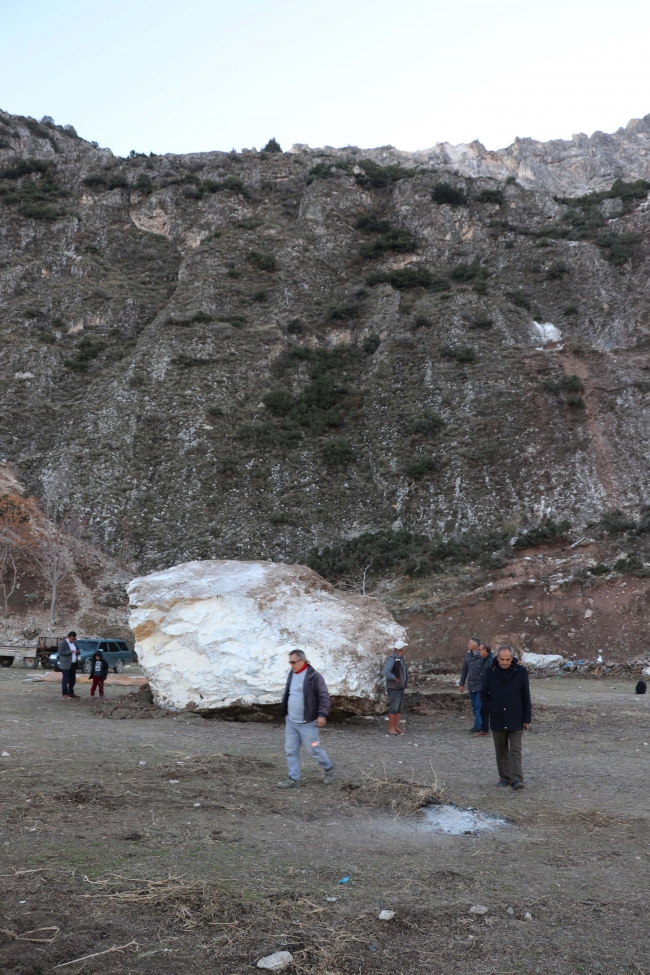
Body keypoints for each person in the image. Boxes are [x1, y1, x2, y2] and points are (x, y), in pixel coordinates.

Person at [277, 649, 334, 788]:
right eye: (290, 662)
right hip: (291, 721)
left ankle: (328, 767)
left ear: (302, 661)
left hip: (308, 723)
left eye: (293, 662)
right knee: (290, 750)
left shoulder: (314, 677)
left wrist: (322, 715)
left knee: (313, 748)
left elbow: (324, 697)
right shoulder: (292, 673)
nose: (291, 665)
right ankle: (293, 779)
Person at [481, 645, 531, 791]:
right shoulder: (489, 672)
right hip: (497, 717)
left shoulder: (521, 672)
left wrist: (527, 717)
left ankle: (517, 780)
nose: (504, 662)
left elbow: (525, 696)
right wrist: (491, 708)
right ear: (497, 658)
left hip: (516, 716)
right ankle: (504, 778)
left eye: (507, 659)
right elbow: (483, 695)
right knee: (501, 751)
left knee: (515, 750)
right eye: (502, 659)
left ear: (512, 658)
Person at [459, 637, 493, 735]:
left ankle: (479, 726)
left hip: (481, 685)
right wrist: (462, 683)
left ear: (475, 645)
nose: (468, 645)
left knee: (479, 705)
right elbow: (464, 670)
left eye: (469, 643)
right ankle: (479, 724)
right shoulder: (468, 656)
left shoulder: (483, 656)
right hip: (471, 685)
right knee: (474, 706)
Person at [383, 639, 408, 735]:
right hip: (394, 687)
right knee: (394, 707)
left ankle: (396, 727)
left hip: (400, 686)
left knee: (399, 708)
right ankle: (391, 728)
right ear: (401, 649)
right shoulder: (392, 658)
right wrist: (395, 679)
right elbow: (387, 672)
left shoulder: (400, 658)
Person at [57, 631, 80, 700]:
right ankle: (65, 693)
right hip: (65, 664)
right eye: (72, 639)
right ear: (68, 637)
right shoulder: (62, 643)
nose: (73, 640)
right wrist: (70, 652)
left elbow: (78, 650)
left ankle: (71, 692)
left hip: (73, 663)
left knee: (73, 679)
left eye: (74, 639)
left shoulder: (75, 643)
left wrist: (78, 652)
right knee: (65, 679)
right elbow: (60, 652)